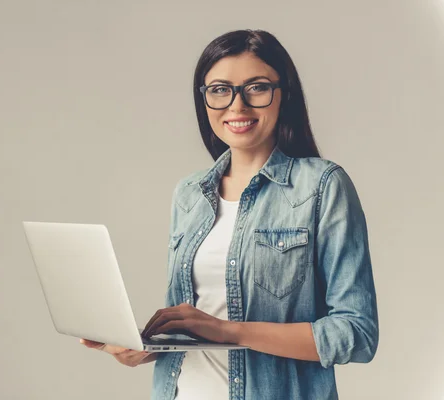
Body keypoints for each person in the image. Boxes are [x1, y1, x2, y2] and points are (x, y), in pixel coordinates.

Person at [81, 29, 379, 400]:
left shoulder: (321, 186)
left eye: (256, 87)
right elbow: (198, 325)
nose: (237, 107)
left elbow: (356, 334)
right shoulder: (189, 194)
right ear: (204, 99)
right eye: (220, 90)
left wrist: (229, 330)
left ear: (283, 94)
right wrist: (144, 348)